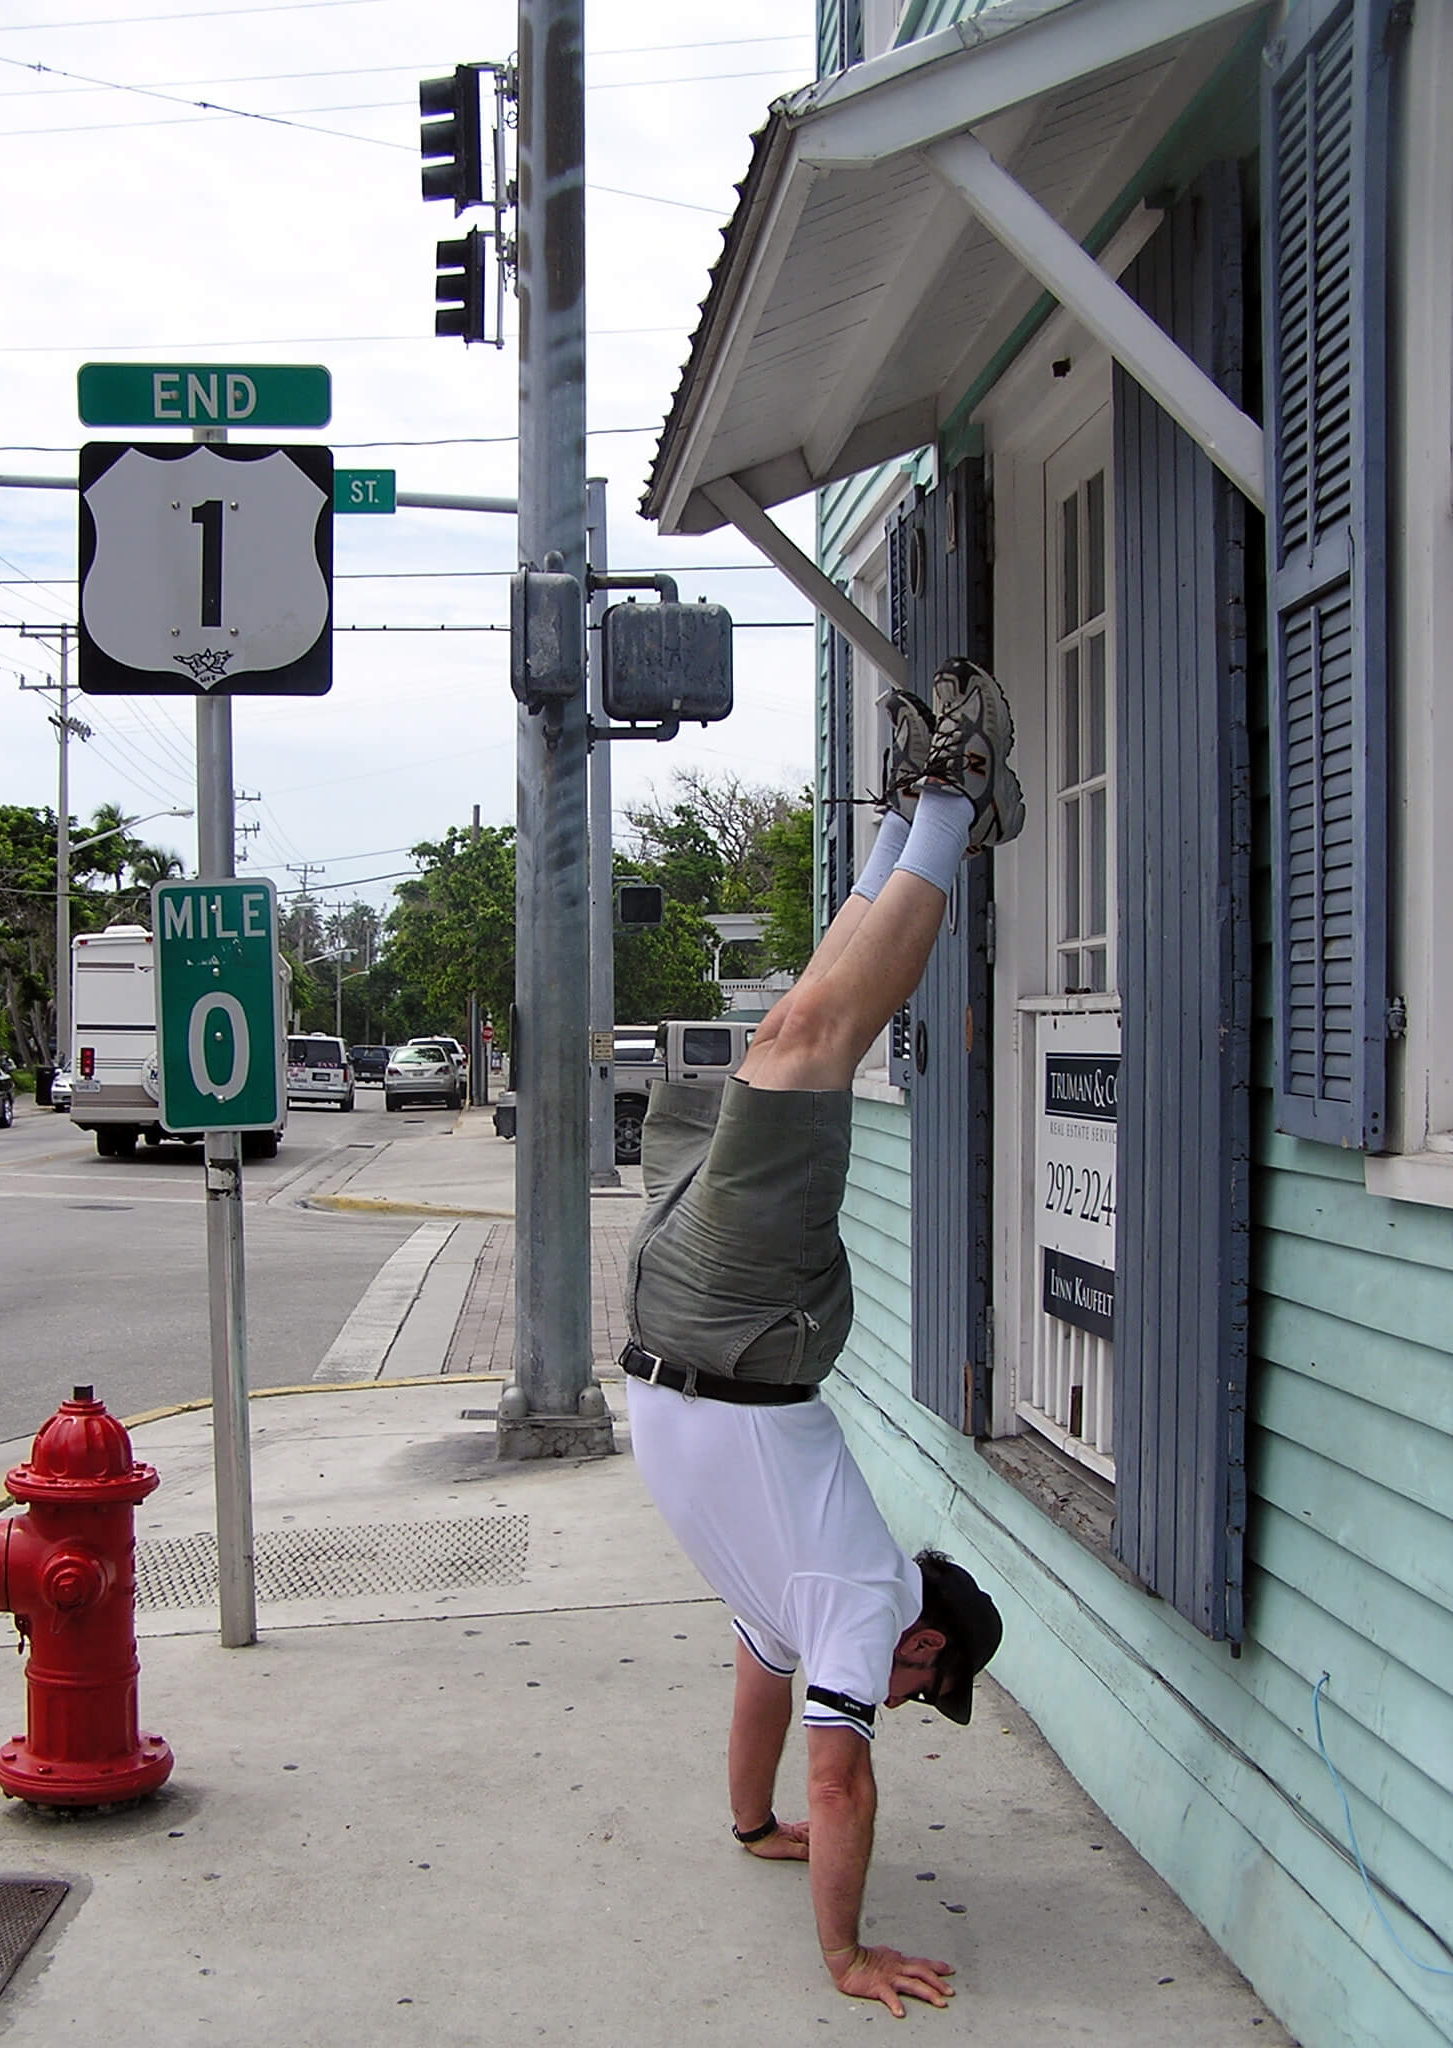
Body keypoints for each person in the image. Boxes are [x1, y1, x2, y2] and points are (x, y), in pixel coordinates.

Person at [621, 658, 1024, 2016]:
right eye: (926, 1692)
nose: (903, 1705)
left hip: (690, 1320)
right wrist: (846, 1957)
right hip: (743, 1328)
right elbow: (843, 1778)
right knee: (812, 1041)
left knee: (791, 1025)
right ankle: (955, 805)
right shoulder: (860, 1606)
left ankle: (904, 817)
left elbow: (761, 1692)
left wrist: (752, 1825)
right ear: (929, 1648)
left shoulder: (794, 1602)